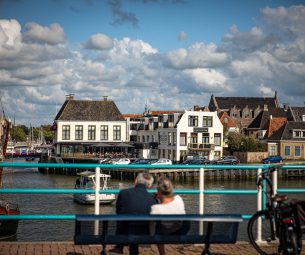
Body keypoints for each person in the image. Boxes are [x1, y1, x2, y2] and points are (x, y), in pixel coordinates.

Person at [109, 172, 158, 254]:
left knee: (125, 221)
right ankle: (124, 249)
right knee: (137, 225)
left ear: (136, 181)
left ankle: (119, 247)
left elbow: (118, 211)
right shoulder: (152, 199)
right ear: (150, 185)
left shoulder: (123, 193)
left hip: (124, 230)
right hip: (144, 233)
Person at [150, 177, 186, 255]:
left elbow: (152, 229)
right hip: (180, 231)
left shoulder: (155, 208)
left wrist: (158, 197)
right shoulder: (179, 199)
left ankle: (162, 254)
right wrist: (160, 195)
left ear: (158, 191)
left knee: (157, 230)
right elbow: (170, 199)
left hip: (165, 234)